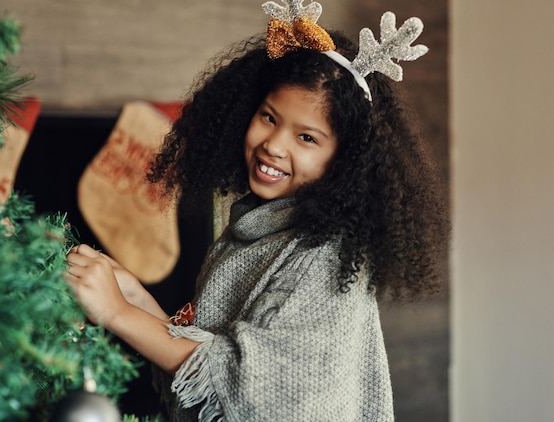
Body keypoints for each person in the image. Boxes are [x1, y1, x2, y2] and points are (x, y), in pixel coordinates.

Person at [65, 2, 449, 420]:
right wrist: (135, 296)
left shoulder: (322, 259)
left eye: (306, 137)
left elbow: (249, 388)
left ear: (345, 162)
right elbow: (208, 368)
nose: (274, 145)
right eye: (269, 117)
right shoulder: (254, 229)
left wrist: (118, 314)